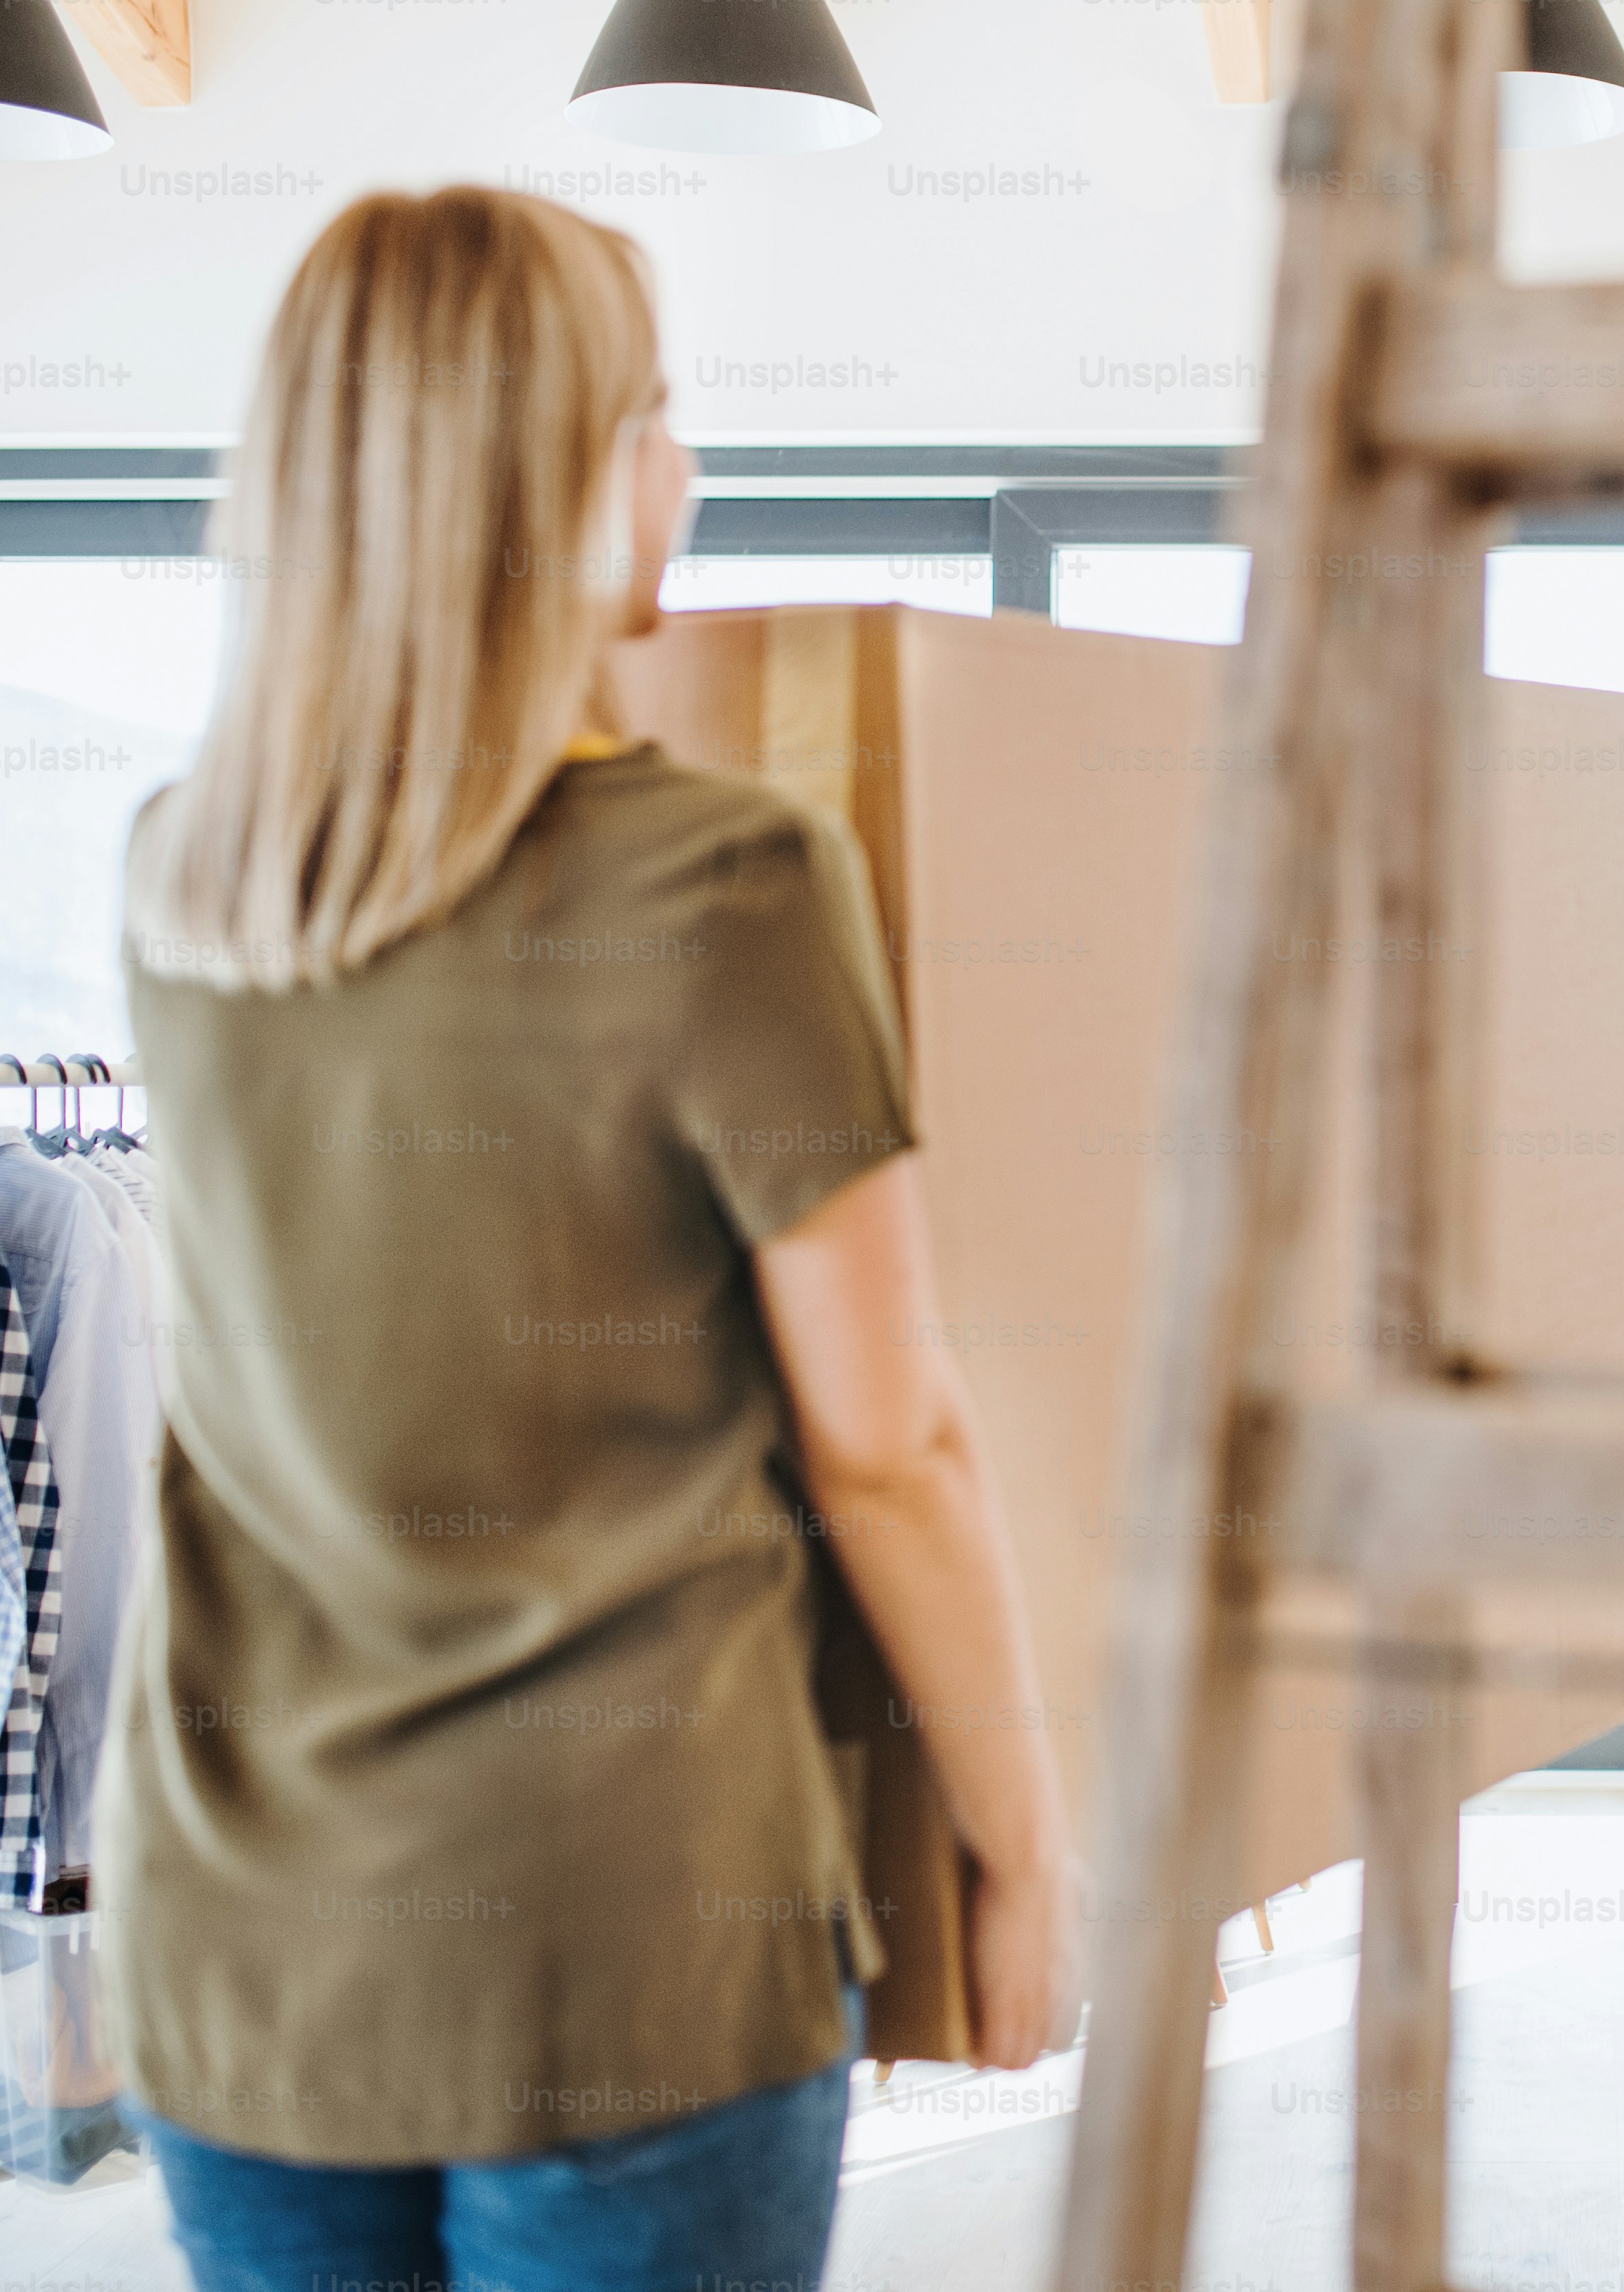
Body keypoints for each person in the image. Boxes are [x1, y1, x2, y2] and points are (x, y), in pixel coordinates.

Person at [105, 187, 1077, 2292]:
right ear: (549, 473)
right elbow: (892, 1446)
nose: (684, 465)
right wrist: (1024, 1845)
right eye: (655, 415)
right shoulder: (726, 882)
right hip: (628, 1946)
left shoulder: (184, 881)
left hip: (238, 1939)